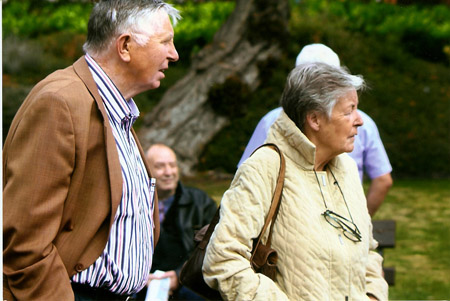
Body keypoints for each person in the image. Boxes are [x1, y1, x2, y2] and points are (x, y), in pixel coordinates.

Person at [3, 1, 180, 300]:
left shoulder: (115, 109)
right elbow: (24, 244)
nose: (174, 54)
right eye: (165, 42)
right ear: (125, 46)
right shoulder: (59, 103)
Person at [203, 63, 389, 300]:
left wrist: (373, 296)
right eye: (349, 110)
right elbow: (223, 259)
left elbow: (368, 252)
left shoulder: (348, 170)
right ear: (314, 119)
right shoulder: (264, 167)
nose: (359, 120)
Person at [238, 43, 393, 217]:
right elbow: (246, 179)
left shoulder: (271, 120)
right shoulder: (272, 123)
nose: (357, 121)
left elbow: (383, 180)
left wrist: (360, 225)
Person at [137, 144, 217, 300]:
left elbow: (212, 249)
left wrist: (179, 276)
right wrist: (141, 278)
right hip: (143, 283)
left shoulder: (200, 203)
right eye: (160, 167)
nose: (168, 172)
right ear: (146, 169)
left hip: (188, 281)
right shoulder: (132, 202)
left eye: (172, 166)